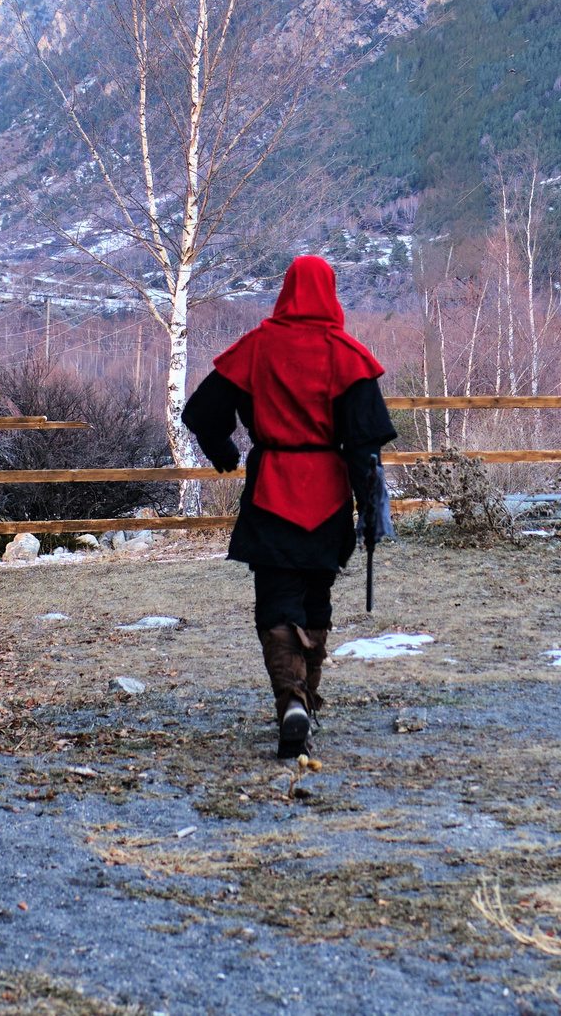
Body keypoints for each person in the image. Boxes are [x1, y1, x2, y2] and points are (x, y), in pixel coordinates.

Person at [181, 256, 396, 758]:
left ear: (287, 291)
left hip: (272, 490)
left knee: (277, 599)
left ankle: (291, 700)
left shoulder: (257, 348)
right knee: (316, 598)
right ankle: (305, 700)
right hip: (327, 495)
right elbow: (365, 447)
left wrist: (225, 451)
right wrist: (370, 512)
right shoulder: (346, 355)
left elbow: (200, 412)